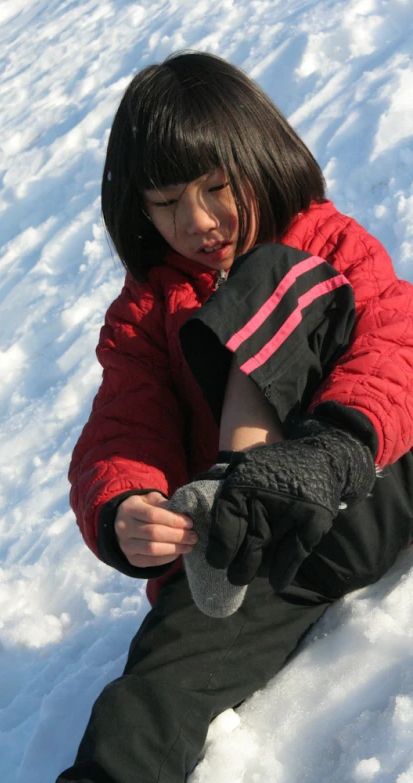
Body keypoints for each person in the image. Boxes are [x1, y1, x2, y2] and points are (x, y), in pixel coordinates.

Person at [56, 52, 413, 782]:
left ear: (258, 157)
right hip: (250, 554)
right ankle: (240, 490)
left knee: (271, 275)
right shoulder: (143, 314)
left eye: (215, 187)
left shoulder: (326, 242)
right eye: (165, 201)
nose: (197, 221)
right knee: (142, 706)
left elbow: (393, 343)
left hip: (365, 484)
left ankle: (252, 477)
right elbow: (123, 426)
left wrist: (333, 449)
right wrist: (125, 505)